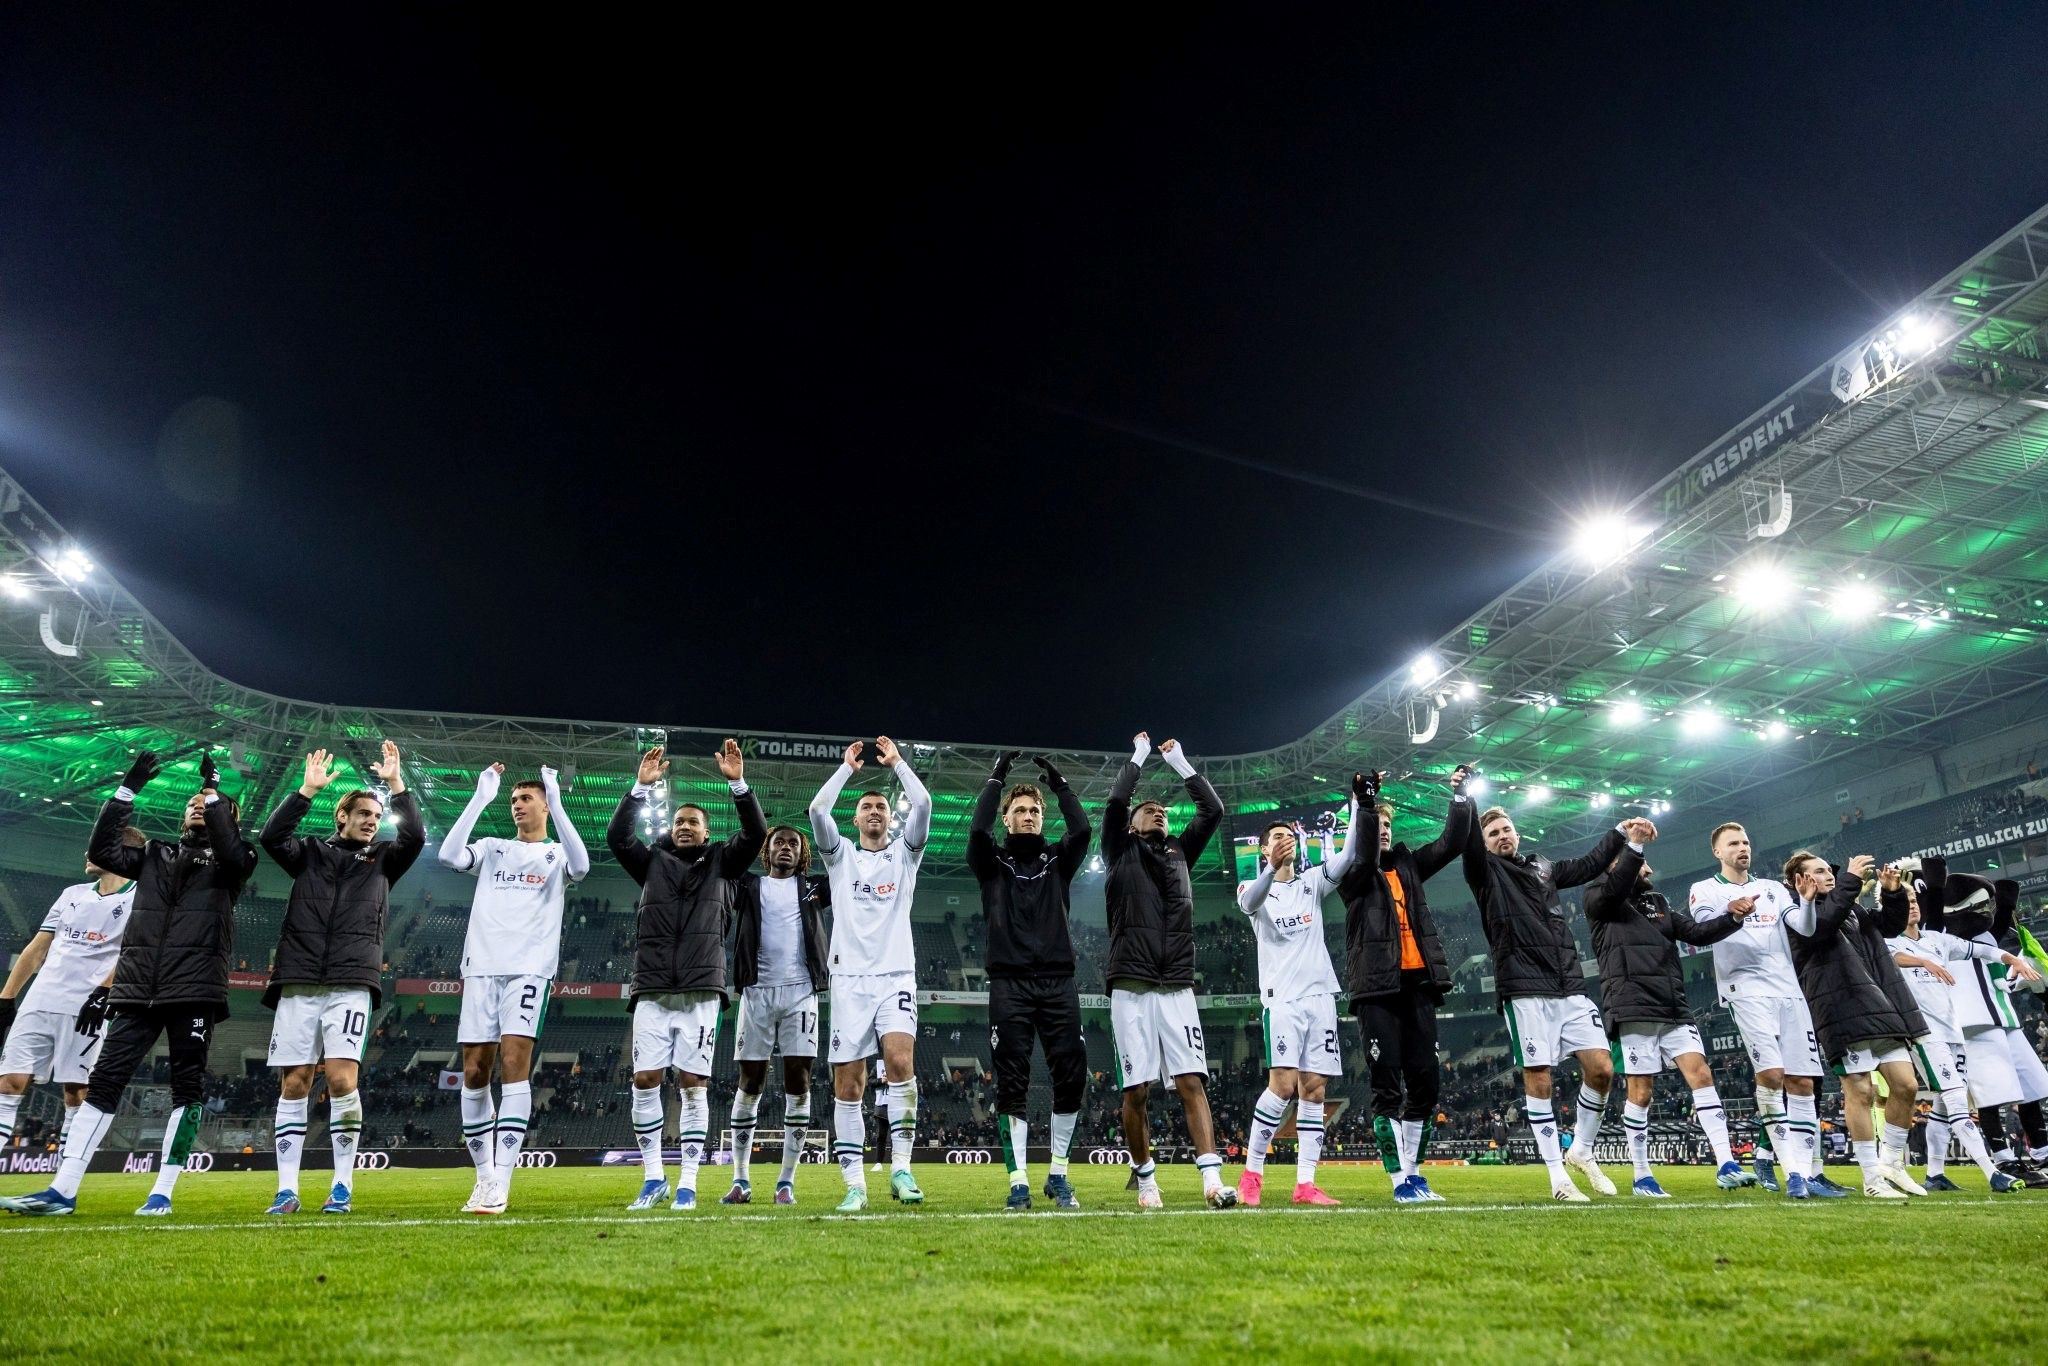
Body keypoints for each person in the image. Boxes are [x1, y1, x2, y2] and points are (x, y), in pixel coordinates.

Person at [1, 750, 256, 1217]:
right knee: (103, 1083)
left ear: (226, 819)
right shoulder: (156, 854)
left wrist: (214, 793)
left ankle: (162, 1193)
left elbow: (231, 850)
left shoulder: (235, 861)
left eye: (207, 805)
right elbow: (103, 851)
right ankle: (63, 1190)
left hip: (194, 988)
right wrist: (127, 789)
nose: (197, 806)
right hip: (138, 989)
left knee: (187, 1089)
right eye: (193, 803)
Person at [256, 742, 423, 1216]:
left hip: (352, 982)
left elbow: (415, 837)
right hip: (298, 980)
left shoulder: (384, 859)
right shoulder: (309, 853)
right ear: (342, 816)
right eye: (364, 814)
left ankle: (342, 1184)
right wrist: (305, 791)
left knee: (342, 1079)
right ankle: (286, 1190)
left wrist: (396, 785)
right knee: (294, 1084)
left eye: (378, 816)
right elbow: (271, 837)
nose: (373, 821)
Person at [607, 741, 764, 1211]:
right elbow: (618, 837)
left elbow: (755, 833)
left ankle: (688, 1184)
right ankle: (653, 1177)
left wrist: (738, 784)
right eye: (679, 822)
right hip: (653, 987)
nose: (684, 826)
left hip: (701, 989)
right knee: (644, 1080)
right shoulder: (650, 863)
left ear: (707, 831)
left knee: (694, 1083)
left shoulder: (723, 863)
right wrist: (639, 789)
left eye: (693, 822)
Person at [1462, 799, 1644, 1201]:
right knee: (1539, 1074)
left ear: (1517, 833)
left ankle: (1581, 1149)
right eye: (1492, 834)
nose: (1501, 837)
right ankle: (1557, 1177)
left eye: (1506, 829)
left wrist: (1620, 834)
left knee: (1602, 1069)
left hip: (1568, 984)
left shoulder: (1542, 866)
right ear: (1484, 843)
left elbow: (1588, 865)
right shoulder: (1484, 871)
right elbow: (1468, 844)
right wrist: (1464, 802)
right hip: (1523, 987)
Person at [438, 762, 589, 1215]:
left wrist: (557, 799)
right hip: (481, 968)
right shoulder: (493, 848)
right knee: (474, 1070)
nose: (517, 805)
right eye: (513, 800)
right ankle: (484, 1178)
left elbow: (582, 867)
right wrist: (480, 798)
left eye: (526, 799)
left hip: (528, 970)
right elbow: (448, 856)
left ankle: (502, 1179)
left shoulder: (557, 854)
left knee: (513, 1063)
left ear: (544, 806)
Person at [1102, 732, 1234, 1209]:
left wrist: (1179, 762)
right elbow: (1116, 803)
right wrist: (1138, 757)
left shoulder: (1181, 851)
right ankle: (1146, 1181)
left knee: (1191, 1082)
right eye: (1148, 810)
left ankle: (1212, 1182)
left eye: (1162, 810)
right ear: (1132, 824)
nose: (1158, 812)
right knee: (1136, 1090)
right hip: (1131, 987)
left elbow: (1212, 811)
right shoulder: (1118, 850)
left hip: (1177, 986)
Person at [1582, 834, 1755, 1196]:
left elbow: (1696, 932)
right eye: (1639, 863)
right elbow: (1615, 887)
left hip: (1673, 1005)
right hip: (1632, 1006)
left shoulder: (1657, 902)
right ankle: (1642, 1175)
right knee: (1641, 1092)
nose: (1647, 869)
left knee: (1702, 1074)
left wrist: (1732, 917)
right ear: (1616, 865)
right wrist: (1632, 850)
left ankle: (1727, 1163)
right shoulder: (1599, 897)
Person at [1340, 764, 1475, 1203]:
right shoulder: (1352, 873)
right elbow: (1363, 854)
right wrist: (1364, 801)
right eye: (1376, 825)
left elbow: (1451, 843)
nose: (1383, 832)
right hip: (1377, 989)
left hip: (1418, 985)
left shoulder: (1409, 866)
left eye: (1387, 826)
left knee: (1425, 1085)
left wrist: (1460, 797)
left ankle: (1415, 1177)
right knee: (1387, 1088)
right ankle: (1398, 1181)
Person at [809, 736, 932, 1212]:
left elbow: (923, 802)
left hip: (896, 975)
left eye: (881, 806)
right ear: (856, 820)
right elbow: (818, 811)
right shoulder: (839, 856)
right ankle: (855, 1186)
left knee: (900, 1062)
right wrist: (846, 770)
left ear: (889, 818)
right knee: (850, 1084)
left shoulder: (905, 855)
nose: (876, 811)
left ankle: (901, 1168)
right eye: (867, 807)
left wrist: (898, 763)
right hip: (848, 982)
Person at [1232, 773, 1365, 1208]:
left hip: (1320, 998)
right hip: (1282, 1001)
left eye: (1289, 836)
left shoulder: (1311, 882)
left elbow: (1348, 855)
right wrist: (1270, 868)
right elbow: (1249, 903)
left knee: (1314, 1090)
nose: (1284, 841)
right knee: (1282, 1086)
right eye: (1276, 837)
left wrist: (1357, 804)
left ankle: (1305, 1184)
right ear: (1263, 849)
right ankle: (1252, 1173)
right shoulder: (1253, 888)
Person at [1686, 823, 1839, 1197]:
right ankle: (1792, 1171)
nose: (1742, 848)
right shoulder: (1705, 889)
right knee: (1771, 1074)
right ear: (1717, 852)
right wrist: (1731, 910)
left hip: (1788, 989)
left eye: (1745, 842)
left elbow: (1804, 928)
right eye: (1733, 843)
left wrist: (1806, 901)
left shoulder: (1773, 889)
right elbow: (1703, 925)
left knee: (1802, 1081)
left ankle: (1804, 1172)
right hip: (1745, 989)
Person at [968, 751, 1091, 1210]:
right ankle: (1018, 1180)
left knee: (1072, 1075)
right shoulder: (991, 862)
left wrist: (1059, 785)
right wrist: (996, 776)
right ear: (1007, 818)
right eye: (1019, 810)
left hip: (1059, 982)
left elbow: (1082, 830)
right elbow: (977, 831)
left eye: (1035, 810)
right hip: (1009, 984)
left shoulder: (1058, 859)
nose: (1028, 815)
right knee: (1011, 1081)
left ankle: (1058, 1174)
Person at [1877, 862, 2036, 1192]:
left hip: (1953, 1032)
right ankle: (1993, 1172)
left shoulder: (1938, 939)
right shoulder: (1888, 941)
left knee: (1942, 1105)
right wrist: (1922, 961)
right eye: (1905, 903)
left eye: (1914, 901)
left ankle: (1935, 1174)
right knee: (1956, 1102)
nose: (1912, 907)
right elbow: (1892, 960)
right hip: (1925, 1035)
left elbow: (1981, 950)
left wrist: (2012, 959)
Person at [1781, 851, 1927, 1198]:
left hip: (1879, 1004)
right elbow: (1820, 929)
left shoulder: (1850, 909)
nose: (1829, 875)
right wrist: (1851, 880)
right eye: (1819, 871)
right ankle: (1871, 1179)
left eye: (1829, 871)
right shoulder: (1799, 913)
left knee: (1906, 1085)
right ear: (1800, 880)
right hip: (1839, 1007)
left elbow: (1889, 927)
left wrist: (1892, 893)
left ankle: (1891, 1163)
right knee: (1860, 1091)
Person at [0, 841, 141, 1157]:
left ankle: (64, 1175)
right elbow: (37, 949)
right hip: (40, 1000)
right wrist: (6, 998)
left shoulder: (140, 899)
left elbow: (132, 954)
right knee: (8, 1084)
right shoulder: (71, 894)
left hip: (87, 1009)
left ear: (119, 852)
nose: (87, 854)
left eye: (97, 846)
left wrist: (103, 992)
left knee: (76, 1093)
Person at [729, 823, 829, 1205]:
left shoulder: (815, 888)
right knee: (749, 1082)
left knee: (799, 1082)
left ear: (802, 854)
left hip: (801, 992)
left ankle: (786, 1181)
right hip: (756, 992)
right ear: (766, 850)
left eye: (793, 844)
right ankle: (740, 1180)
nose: (785, 848)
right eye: (778, 842)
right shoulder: (748, 886)